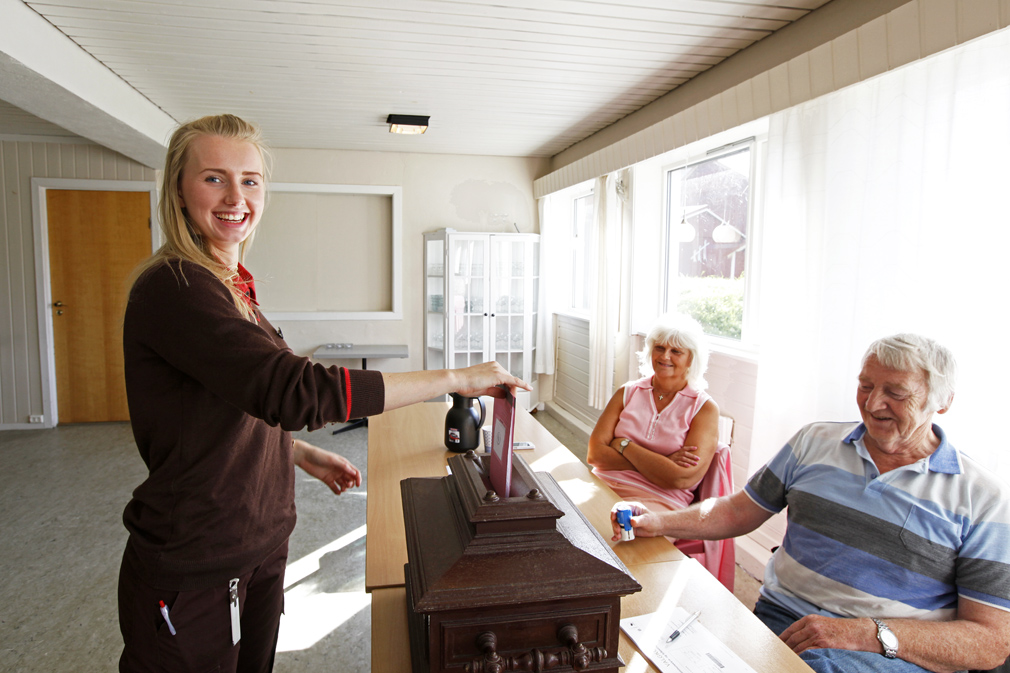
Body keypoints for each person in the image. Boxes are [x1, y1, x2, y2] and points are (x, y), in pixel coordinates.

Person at [118, 114, 530, 673]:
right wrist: (456, 379)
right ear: (177, 189)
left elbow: (234, 400)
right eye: (214, 178)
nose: (236, 196)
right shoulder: (176, 287)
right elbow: (294, 390)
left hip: (259, 541)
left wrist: (297, 453)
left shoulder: (230, 285)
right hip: (200, 558)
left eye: (251, 179)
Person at [610, 334, 1010, 673]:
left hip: (887, 649)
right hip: (783, 621)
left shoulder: (982, 498)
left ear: (943, 401)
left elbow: (991, 640)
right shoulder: (813, 442)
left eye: (896, 393)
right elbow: (738, 510)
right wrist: (660, 521)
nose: (872, 405)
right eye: (866, 386)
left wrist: (864, 632)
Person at [587, 313, 734, 588]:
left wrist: (623, 445)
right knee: (565, 528)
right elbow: (595, 454)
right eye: (659, 347)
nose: (665, 356)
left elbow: (680, 479)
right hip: (604, 482)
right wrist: (663, 462)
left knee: (611, 553)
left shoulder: (703, 408)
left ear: (691, 359)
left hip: (660, 500)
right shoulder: (627, 392)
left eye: (676, 351)